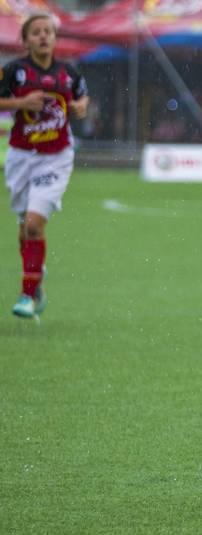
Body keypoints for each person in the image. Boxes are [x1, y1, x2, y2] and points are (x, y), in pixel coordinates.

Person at [0, 13, 89, 319]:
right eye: (35, 32)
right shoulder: (14, 71)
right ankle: (35, 275)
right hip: (21, 157)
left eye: (47, 31)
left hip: (56, 156)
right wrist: (19, 104)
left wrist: (81, 106)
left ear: (54, 37)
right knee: (26, 226)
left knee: (35, 225)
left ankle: (27, 295)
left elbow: (82, 96)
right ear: (25, 40)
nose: (42, 36)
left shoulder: (68, 73)